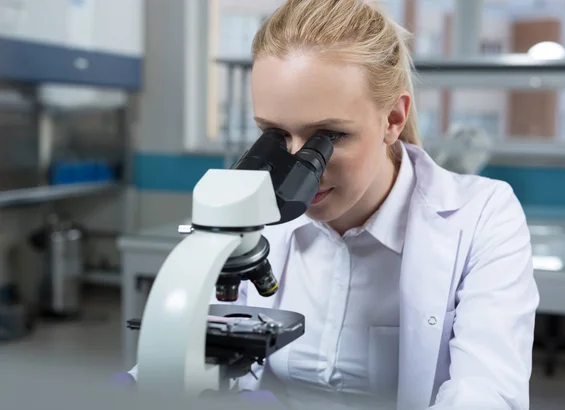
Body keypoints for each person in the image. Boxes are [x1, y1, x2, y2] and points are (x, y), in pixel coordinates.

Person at [123, 0, 539, 409]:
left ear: (392, 119)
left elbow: (487, 391)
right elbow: (192, 352)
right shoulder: (258, 208)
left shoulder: (482, 216)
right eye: (275, 134)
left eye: (329, 136)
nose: (298, 169)